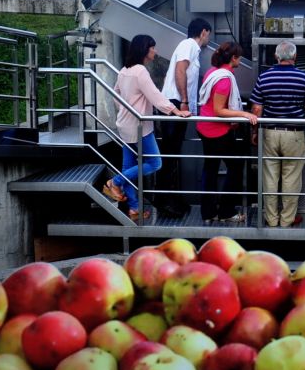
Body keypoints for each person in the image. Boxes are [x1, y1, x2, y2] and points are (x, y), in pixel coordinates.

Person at [103, 34, 190, 222]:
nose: (155, 51)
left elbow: (115, 94)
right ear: (145, 50)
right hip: (140, 126)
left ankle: (134, 208)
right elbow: (155, 95)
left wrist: (125, 109)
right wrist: (175, 111)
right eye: (153, 48)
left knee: (129, 166)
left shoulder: (125, 70)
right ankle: (114, 182)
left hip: (125, 124)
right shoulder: (140, 71)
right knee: (155, 163)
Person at [249, 41, 305, 228]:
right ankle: (287, 220)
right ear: (295, 57)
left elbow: (257, 108)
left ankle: (271, 220)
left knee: (270, 177)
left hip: (269, 132)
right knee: (291, 178)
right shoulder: (304, 77)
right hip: (294, 134)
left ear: (276, 56)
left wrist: (255, 131)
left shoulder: (264, 77)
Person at [156, 18, 212, 216]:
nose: (208, 38)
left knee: (174, 151)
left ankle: (172, 199)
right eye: (208, 34)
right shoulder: (189, 45)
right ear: (204, 32)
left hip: (175, 102)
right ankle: (163, 202)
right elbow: (181, 71)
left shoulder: (189, 48)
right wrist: (185, 101)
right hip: (175, 103)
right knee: (170, 153)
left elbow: (172, 74)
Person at [196, 41, 257, 223]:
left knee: (210, 170)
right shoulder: (224, 80)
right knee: (236, 167)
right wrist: (243, 114)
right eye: (239, 57)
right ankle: (226, 211)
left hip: (204, 128)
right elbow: (218, 110)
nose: (241, 60)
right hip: (217, 132)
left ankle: (208, 213)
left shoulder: (211, 72)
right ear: (233, 58)